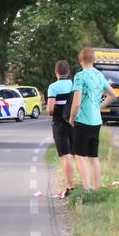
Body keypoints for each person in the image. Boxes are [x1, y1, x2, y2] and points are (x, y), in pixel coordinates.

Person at [69, 47, 118, 191]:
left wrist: (71, 118)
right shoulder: (99, 75)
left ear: (80, 60)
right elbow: (113, 95)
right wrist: (98, 106)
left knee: (80, 156)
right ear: (94, 60)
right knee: (93, 157)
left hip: (82, 120)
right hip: (96, 121)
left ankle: (86, 188)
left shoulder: (80, 76)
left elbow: (76, 103)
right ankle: (97, 188)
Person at [47, 61, 76, 197]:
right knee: (77, 155)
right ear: (68, 72)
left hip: (59, 123)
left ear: (56, 72)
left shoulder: (53, 87)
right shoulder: (74, 85)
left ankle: (70, 186)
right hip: (74, 122)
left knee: (65, 156)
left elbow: (50, 109)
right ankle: (84, 183)